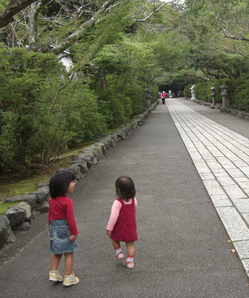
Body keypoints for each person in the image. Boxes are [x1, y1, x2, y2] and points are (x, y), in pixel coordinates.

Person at [48, 169, 79, 287]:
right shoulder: (67, 201)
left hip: (54, 228)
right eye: (72, 181)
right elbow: (70, 219)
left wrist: (49, 230)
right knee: (68, 253)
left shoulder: (52, 200)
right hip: (64, 229)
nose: (74, 183)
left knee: (57, 252)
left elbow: (50, 216)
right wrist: (75, 232)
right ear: (63, 184)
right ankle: (69, 277)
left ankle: (54, 273)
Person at [106, 176, 138, 269]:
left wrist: (109, 228)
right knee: (130, 244)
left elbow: (113, 216)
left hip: (119, 226)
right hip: (131, 227)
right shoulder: (134, 201)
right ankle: (130, 261)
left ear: (118, 190)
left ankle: (118, 252)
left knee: (113, 237)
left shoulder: (117, 202)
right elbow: (134, 210)